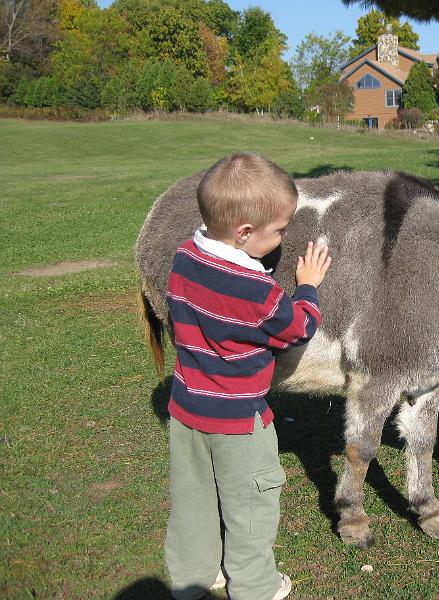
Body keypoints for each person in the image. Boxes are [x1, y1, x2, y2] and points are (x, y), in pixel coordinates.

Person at [163, 152, 331, 600]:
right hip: (239, 421)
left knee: (193, 498)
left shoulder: (184, 257)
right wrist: (308, 285)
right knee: (252, 505)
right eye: (279, 231)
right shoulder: (258, 292)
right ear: (244, 232)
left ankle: (192, 577)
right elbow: (297, 327)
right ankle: (255, 586)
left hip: (185, 411)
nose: (282, 238)